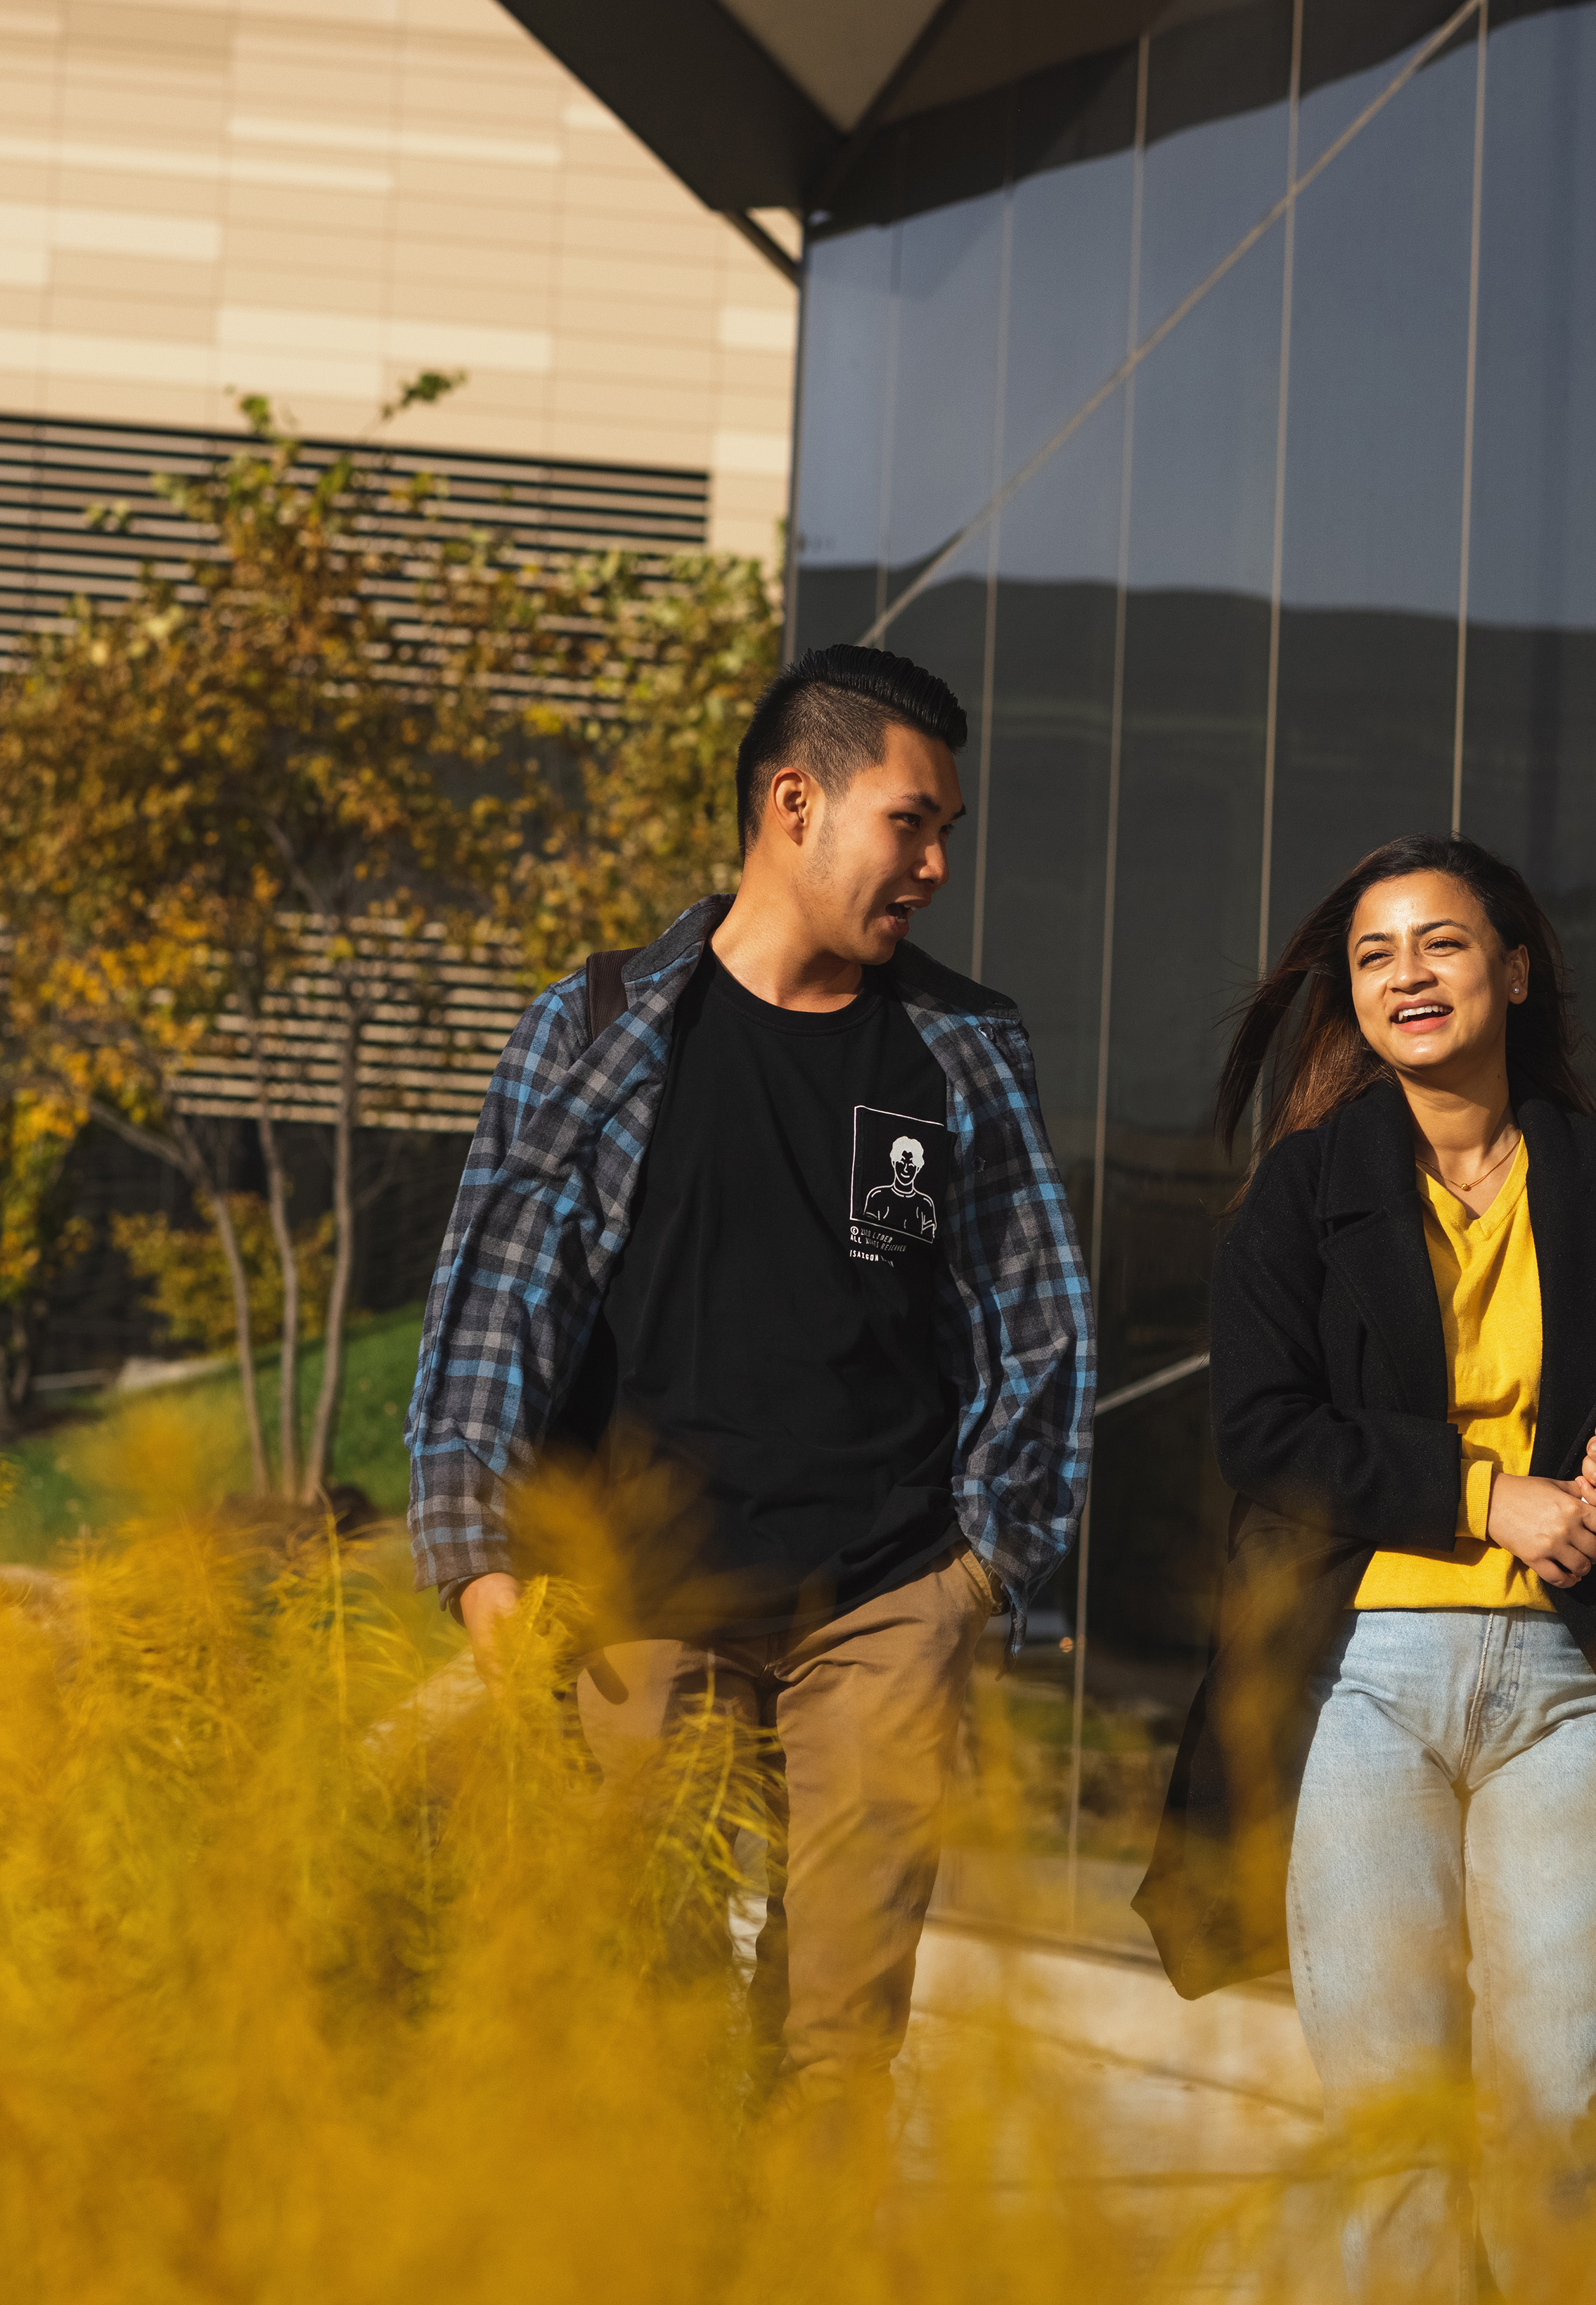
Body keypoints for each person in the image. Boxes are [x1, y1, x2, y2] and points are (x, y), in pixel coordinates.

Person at [404, 641, 1093, 2126]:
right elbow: (487, 1310)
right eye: (912, 823)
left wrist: (979, 1572)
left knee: (840, 2043)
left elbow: (1035, 1322)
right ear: (796, 801)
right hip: (643, 1605)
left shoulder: (962, 1048)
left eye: (945, 835)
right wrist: (475, 1560)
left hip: (882, 1600)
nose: (934, 865)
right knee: (643, 2033)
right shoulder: (595, 1024)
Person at [1133, 833, 1596, 2304]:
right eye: (1374, 956)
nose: (1405, 976)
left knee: (1565, 2090)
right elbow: (1266, 1431)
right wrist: (1493, 1498)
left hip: (1564, 1689)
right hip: (1358, 1680)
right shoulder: (1300, 1197)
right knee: (1391, 2115)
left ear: (1514, 966)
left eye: (1438, 943)